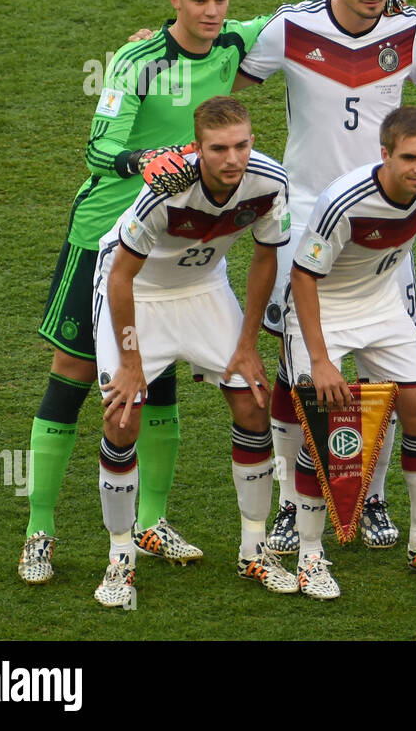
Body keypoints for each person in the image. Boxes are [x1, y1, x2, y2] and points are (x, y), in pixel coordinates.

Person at [20, 0, 268, 585]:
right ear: (174, 0)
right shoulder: (137, 61)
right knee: (75, 377)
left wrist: (392, 9)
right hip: (104, 234)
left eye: (221, 0)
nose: (212, 13)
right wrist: (145, 160)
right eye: (198, 1)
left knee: (156, 380)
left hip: (171, 245)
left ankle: (151, 523)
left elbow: (310, 22)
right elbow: (99, 145)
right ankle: (39, 531)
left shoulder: (235, 41)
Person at [235, 0, 416, 555]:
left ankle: (368, 497)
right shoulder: (289, 29)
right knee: (297, 378)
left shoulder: (407, 30)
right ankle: (296, 502)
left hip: (384, 221)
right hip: (306, 216)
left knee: (385, 371)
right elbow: (226, 75)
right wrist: (158, 53)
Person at [90, 97, 293, 607]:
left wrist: (246, 345)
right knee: (121, 418)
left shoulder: (270, 182)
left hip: (203, 287)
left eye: (242, 144)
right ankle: (120, 558)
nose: (233, 158)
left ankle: (254, 550)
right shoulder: (166, 189)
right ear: (197, 148)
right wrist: (132, 364)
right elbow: (120, 275)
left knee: (252, 400)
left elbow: (265, 260)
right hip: (136, 294)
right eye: (219, 148)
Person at [282, 106, 416, 597]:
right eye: (409, 158)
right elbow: (302, 276)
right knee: (325, 428)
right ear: (384, 154)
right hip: (324, 307)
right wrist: (320, 361)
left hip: (381, 306)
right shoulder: (344, 201)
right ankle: (310, 555)